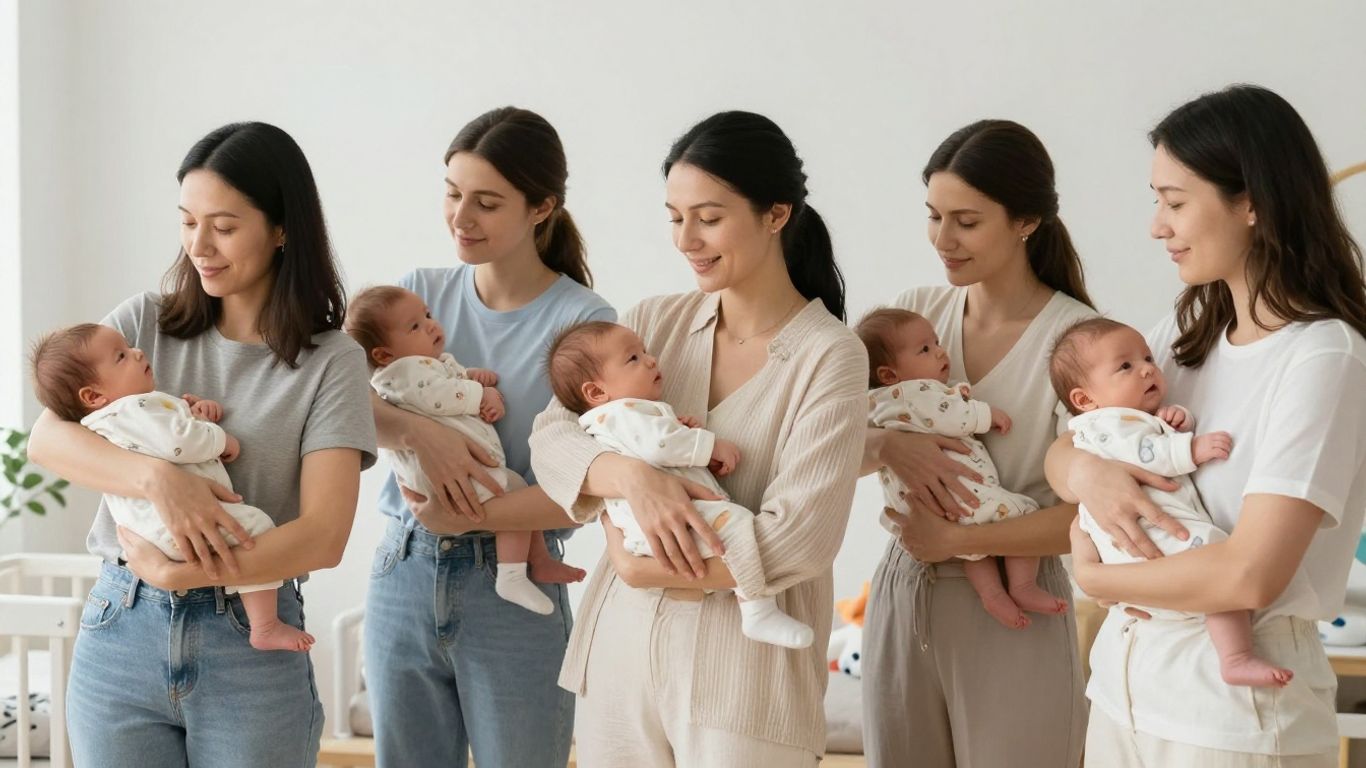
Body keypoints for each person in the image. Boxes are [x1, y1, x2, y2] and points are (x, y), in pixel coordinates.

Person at [27, 121, 376, 767]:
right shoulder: (140, 324)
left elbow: (324, 537)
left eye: (223, 225)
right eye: (187, 222)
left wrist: (178, 572)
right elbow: (48, 439)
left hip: (249, 638)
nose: (199, 246)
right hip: (121, 628)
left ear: (281, 228)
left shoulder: (333, 362)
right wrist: (162, 481)